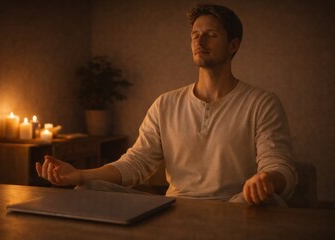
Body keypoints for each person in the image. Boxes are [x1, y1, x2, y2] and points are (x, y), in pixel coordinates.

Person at [36, 3, 297, 206]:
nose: (200, 41)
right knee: (89, 189)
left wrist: (266, 180)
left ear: (233, 45)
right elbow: (136, 164)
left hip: (235, 207)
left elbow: (279, 165)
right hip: (176, 207)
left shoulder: (262, 103)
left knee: (271, 201)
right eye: (195, 35)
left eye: (210, 35)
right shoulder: (166, 104)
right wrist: (80, 175)